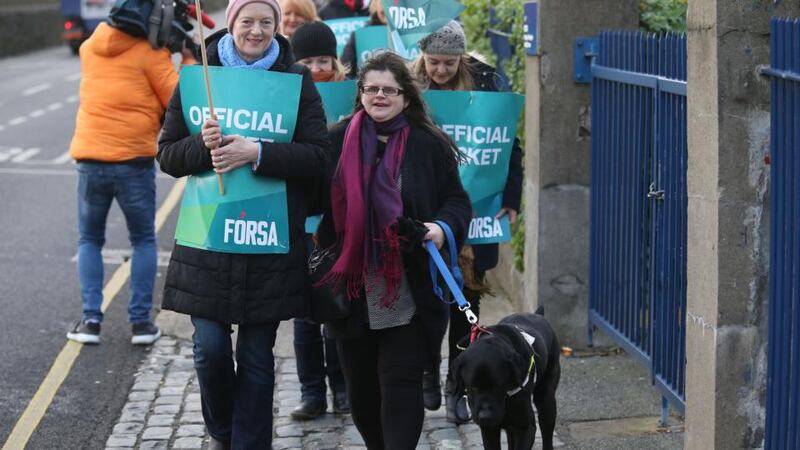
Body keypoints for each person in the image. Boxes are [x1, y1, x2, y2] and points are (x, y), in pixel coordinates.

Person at [156, 0, 330, 448]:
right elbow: (168, 155)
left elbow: (318, 157)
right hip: (208, 240)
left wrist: (258, 153)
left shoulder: (295, 82)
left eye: (266, 23)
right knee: (209, 349)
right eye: (247, 21)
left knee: (256, 356)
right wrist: (201, 145)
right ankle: (222, 430)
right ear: (231, 24)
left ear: (278, 27)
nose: (256, 31)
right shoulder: (201, 78)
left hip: (269, 243)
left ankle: (249, 443)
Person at [316, 51, 472, 449]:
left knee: (401, 386)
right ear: (360, 93)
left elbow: (457, 201)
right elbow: (307, 195)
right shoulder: (335, 141)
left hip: (408, 287)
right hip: (352, 288)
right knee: (363, 391)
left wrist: (439, 228)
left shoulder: (428, 143)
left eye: (389, 89)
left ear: (406, 96)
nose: (380, 96)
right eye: (372, 88)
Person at [411, 20, 524, 424]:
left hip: (475, 213)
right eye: (434, 61)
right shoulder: (408, 87)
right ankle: (426, 372)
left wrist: (511, 198)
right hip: (425, 207)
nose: (440, 70)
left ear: (462, 57)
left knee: (466, 303)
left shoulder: (487, 83)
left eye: (449, 62)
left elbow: (508, 143)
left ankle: (456, 385)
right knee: (427, 301)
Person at [66, 2, 197, 346]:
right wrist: (188, 57)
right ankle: (141, 324)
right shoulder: (149, 56)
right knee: (142, 240)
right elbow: (178, 100)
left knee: (89, 240)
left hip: (90, 159)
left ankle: (90, 321)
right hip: (132, 161)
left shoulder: (90, 47)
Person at [287, 20, 350, 420]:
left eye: (323, 60)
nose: (315, 68)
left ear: (335, 60)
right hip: (300, 218)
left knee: (336, 310)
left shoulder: (350, 94)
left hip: (339, 219)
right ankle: (312, 392)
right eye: (306, 61)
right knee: (303, 315)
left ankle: (342, 387)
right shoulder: (285, 94)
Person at [340, 0, 386, 78]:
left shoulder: (412, 35)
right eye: (383, 2)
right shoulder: (360, 36)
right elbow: (346, 71)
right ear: (376, 4)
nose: (386, 9)